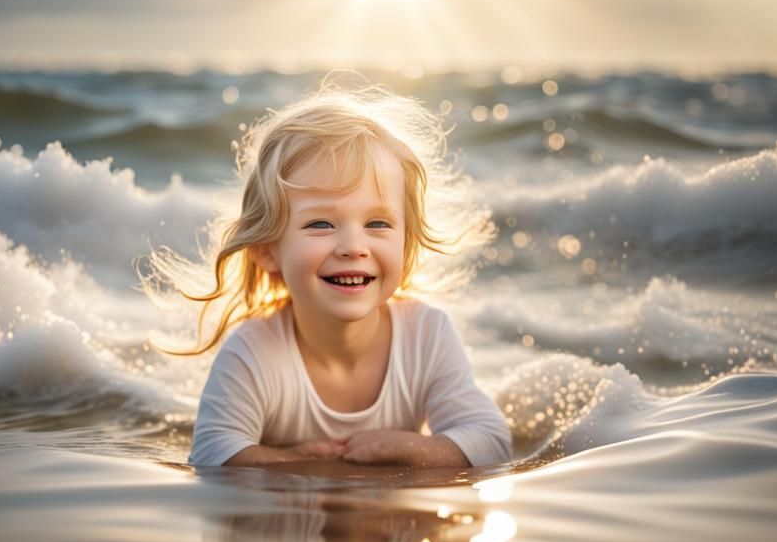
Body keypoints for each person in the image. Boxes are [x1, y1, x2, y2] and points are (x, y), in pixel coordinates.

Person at [146, 80, 513, 468]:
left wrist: (409, 448)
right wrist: (293, 463)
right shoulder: (253, 352)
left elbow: (491, 442)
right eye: (321, 224)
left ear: (406, 247)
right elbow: (210, 456)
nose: (353, 246)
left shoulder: (427, 334)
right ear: (267, 250)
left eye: (377, 223)